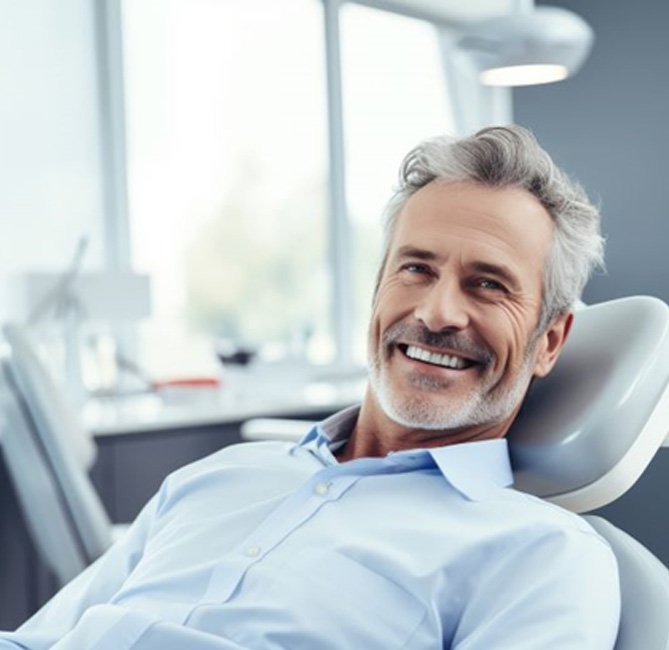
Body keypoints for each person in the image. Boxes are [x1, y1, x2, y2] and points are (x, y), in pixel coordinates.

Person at [0, 125, 620, 649]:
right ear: (378, 288)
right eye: (415, 268)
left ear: (549, 342)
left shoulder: (543, 557)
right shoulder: (217, 476)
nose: (437, 313)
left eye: (488, 284)